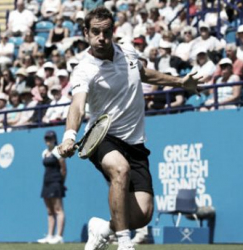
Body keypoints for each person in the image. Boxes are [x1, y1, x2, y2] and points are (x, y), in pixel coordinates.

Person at [57, 7, 202, 250]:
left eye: (106, 31)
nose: (101, 37)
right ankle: (125, 243)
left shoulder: (128, 53)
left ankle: (103, 229)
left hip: (135, 142)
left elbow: (145, 74)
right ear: (86, 32)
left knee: (142, 214)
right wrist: (70, 136)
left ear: (112, 31)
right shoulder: (84, 69)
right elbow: (77, 106)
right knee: (120, 169)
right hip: (102, 136)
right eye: (95, 32)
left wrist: (179, 82)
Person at [37, 130, 66, 245]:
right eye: (46, 139)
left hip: (56, 182)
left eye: (50, 138)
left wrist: (61, 183)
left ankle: (59, 236)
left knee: (58, 210)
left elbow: (63, 169)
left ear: (54, 139)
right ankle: (50, 235)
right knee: (49, 211)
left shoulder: (58, 151)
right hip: (46, 183)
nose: (48, 141)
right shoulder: (44, 153)